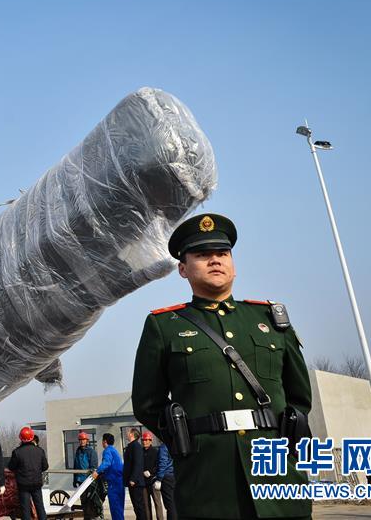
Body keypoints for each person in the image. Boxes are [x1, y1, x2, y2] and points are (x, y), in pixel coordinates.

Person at [132, 213, 313, 520]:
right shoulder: (164, 326)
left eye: (222, 254)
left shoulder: (269, 319)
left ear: (233, 264)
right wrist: (184, 440)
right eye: (202, 255)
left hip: (277, 477)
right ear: (182, 269)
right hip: (207, 481)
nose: (215, 261)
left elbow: (300, 396)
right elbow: (147, 403)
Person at [8, 427, 48, 520]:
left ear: (21, 438)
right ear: (32, 437)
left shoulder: (17, 452)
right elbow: (45, 467)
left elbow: (11, 467)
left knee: (25, 509)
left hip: (23, 485)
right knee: (40, 507)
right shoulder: (40, 451)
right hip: (37, 483)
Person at [91, 433, 124, 520]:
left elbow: (107, 463)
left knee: (115, 508)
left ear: (105, 441)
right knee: (120, 508)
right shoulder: (115, 451)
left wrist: (97, 472)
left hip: (113, 483)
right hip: (120, 482)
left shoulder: (107, 451)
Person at [73, 431, 101, 519]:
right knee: (83, 501)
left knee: (90, 502)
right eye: (80, 440)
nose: (82, 441)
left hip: (88, 481)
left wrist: (91, 480)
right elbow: (75, 465)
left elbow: (93, 467)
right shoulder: (78, 451)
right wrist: (74, 479)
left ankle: (90, 518)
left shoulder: (91, 452)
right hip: (80, 480)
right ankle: (86, 517)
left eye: (84, 440)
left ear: (87, 441)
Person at [123, 429, 150, 520]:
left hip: (136, 482)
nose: (126, 433)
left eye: (128, 432)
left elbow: (138, 464)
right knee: (136, 506)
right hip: (133, 482)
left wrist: (133, 479)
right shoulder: (132, 446)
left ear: (131, 434)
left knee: (139, 506)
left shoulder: (136, 446)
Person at [141, 432, 163, 520]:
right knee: (146, 505)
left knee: (158, 504)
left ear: (151, 441)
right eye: (143, 440)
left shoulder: (155, 452)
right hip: (144, 483)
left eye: (146, 440)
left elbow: (158, 465)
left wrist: (151, 472)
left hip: (153, 481)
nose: (144, 442)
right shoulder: (141, 452)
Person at [154, 442, 176, 520]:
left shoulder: (164, 446)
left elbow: (163, 463)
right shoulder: (176, 444)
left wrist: (159, 479)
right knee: (174, 503)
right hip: (174, 475)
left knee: (169, 505)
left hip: (166, 477)